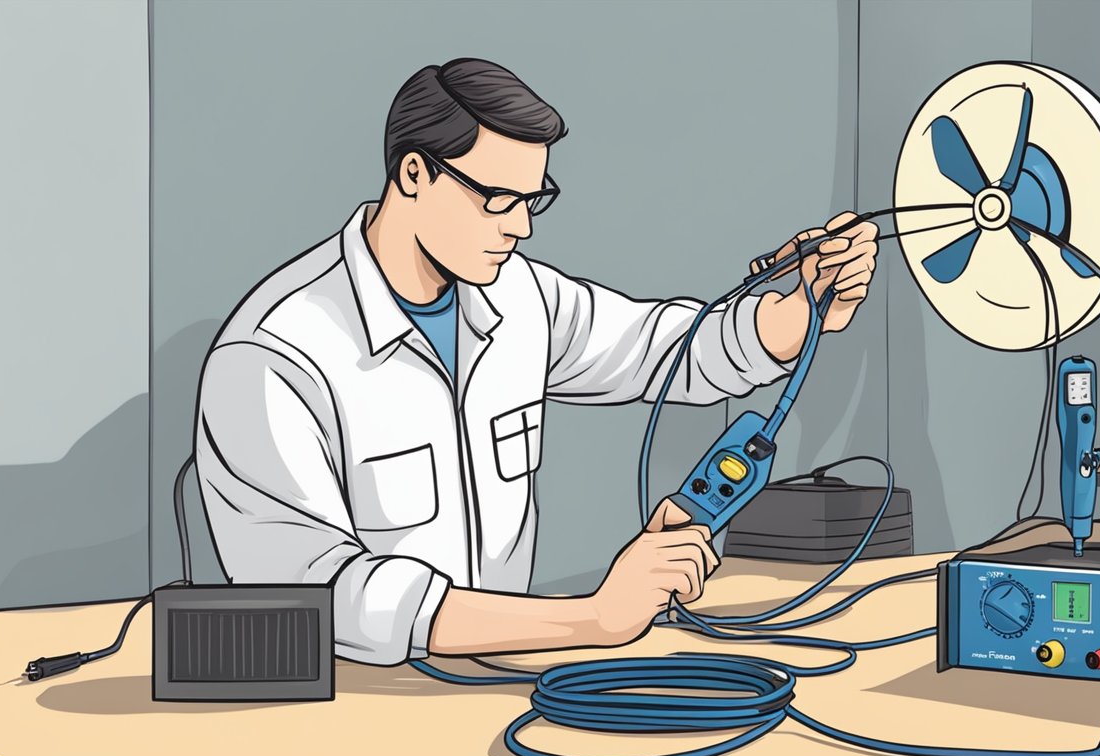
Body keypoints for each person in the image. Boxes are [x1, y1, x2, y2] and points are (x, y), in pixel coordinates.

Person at [194, 58, 878, 666]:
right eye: (497, 200)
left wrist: (803, 309)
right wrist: (592, 618)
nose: (519, 227)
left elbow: (660, 350)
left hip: (510, 678)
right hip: (356, 707)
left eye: (533, 201)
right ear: (412, 174)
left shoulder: (517, 295)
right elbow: (316, 593)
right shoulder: (273, 355)